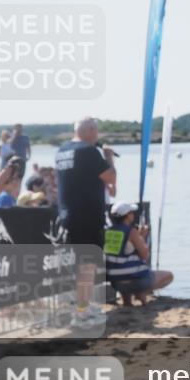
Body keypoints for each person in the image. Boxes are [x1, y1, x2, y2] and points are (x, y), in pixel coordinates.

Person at [55, 117, 117, 325]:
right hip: (86, 215)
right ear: (90, 130)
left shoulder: (63, 150)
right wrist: (108, 157)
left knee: (80, 266)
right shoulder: (88, 151)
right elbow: (110, 177)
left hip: (69, 214)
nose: (97, 135)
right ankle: (81, 312)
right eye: (96, 131)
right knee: (86, 266)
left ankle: (81, 307)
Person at [104, 202, 174, 306]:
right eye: (132, 213)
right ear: (127, 216)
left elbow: (123, 251)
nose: (133, 215)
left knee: (122, 271)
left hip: (115, 282)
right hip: (136, 281)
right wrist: (142, 237)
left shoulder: (107, 232)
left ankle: (127, 301)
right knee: (169, 276)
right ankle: (142, 293)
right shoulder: (131, 232)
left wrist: (138, 238)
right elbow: (144, 255)